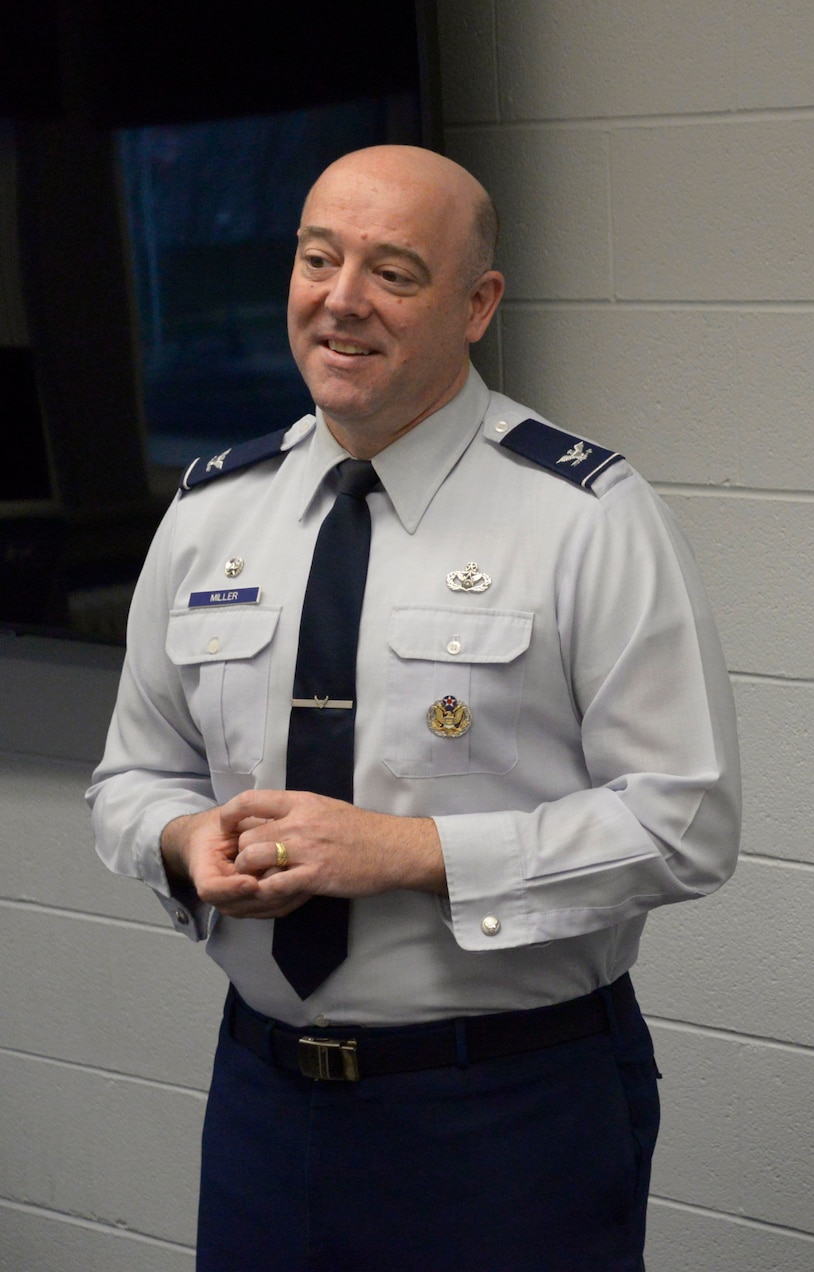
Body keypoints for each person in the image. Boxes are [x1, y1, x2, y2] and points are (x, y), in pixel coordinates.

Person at [87, 145, 739, 1270]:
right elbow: (130, 779)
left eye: (392, 272)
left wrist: (403, 852)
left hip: (504, 1108)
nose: (341, 301)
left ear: (476, 304)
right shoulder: (209, 512)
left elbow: (684, 823)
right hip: (263, 1098)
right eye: (316, 259)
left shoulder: (584, 517)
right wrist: (188, 838)